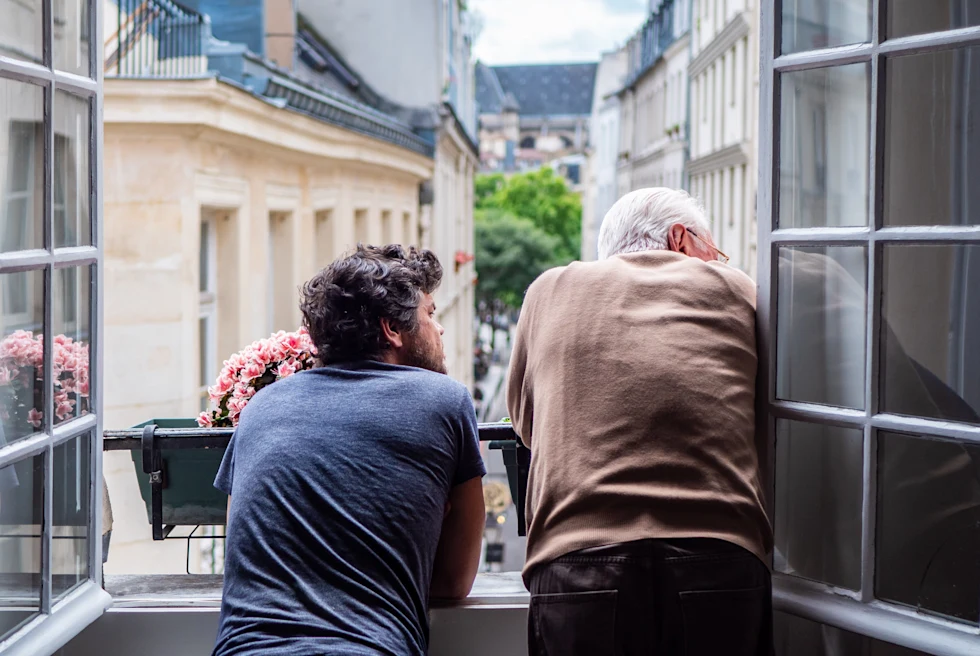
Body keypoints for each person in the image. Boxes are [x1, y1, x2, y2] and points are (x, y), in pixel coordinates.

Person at [507, 187, 774, 656]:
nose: (717, 261)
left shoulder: (549, 291)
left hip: (577, 565)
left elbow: (528, 422)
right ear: (681, 239)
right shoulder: (740, 290)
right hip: (719, 562)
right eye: (714, 249)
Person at [212, 244, 486, 656]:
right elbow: (453, 581)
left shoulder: (261, 406)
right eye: (431, 313)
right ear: (392, 328)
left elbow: (241, 550)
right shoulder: (445, 400)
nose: (440, 328)